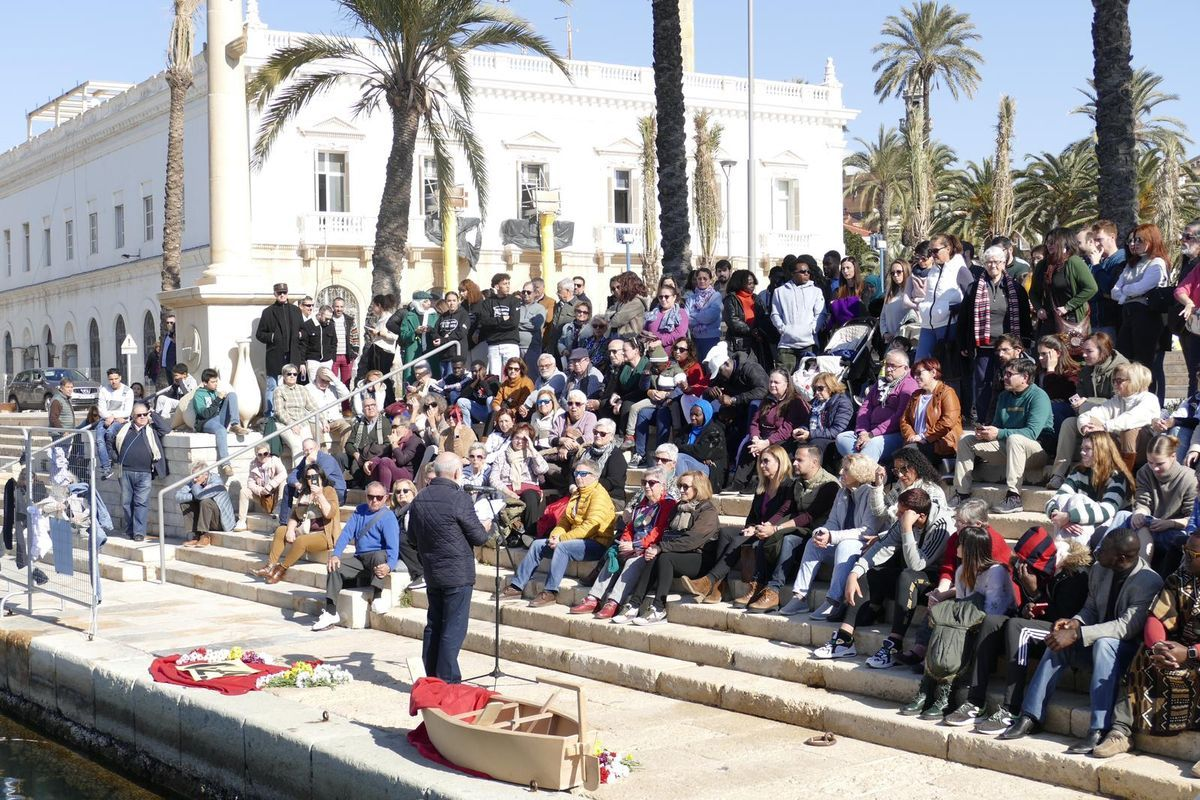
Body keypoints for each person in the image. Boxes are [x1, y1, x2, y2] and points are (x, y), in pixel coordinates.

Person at [999, 528, 1163, 755]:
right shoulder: (1099, 570)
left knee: (1105, 643)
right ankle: (1031, 716)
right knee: (1058, 642)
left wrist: (1078, 634)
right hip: (1096, 643)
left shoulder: (1148, 581)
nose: (1097, 552)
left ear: (1121, 558)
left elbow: (1125, 627)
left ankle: (1098, 728)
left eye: (1103, 550)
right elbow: (1091, 608)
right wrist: (1074, 623)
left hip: (1128, 654)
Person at [1092, 531, 1200, 764]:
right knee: (1144, 654)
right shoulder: (1179, 578)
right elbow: (1156, 618)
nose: (1187, 557)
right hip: (1178, 649)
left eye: (1194, 554)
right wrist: (1159, 646)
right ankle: (1120, 732)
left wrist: (1191, 652)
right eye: (1185, 551)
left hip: (1194, 652)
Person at [812, 487, 949, 661]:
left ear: (920, 516)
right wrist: (854, 573)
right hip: (910, 574)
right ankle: (844, 639)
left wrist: (906, 528)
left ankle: (894, 644)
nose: (898, 517)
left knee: (908, 576)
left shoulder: (941, 526)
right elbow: (881, 546)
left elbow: (917, 565)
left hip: (935, 582)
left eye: (901, 514)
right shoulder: (904, 519)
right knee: (869, 573)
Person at [901, 524, 1017, 720]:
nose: (956, 547)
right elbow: (962, 605)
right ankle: (926, 688)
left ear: (971, 548)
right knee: (941, 625)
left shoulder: (996, 571)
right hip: (967, 622)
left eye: (961, 544)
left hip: (995, 624)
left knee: (952, 631)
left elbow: (992, 610)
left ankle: (946, 693)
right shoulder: (962, 570)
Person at [405, 453, 490, 682]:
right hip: (457, 573)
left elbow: (412, 537)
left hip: (433, 571)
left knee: (434, 623)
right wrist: (487, 526)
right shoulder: (459, 498)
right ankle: (448, 680)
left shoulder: (420, 498)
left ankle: (431, 676)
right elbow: (479, 537)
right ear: (456, 473)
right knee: (453, 627)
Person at [498, 459, 616, 607]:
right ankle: (516, 586)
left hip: (596, 543)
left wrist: (562, 539)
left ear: (595, 476)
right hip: (575, 539)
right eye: (576, 473)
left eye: (583, 474)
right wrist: (555, 536)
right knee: (537, 545)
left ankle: (550, 591)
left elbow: (590, 526)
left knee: (562, 547)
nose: (578, 477)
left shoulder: (599, 496)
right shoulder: (578, 493)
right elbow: (565, 521)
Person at [571, 467, 676, 618]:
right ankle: (593, 598)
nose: (646, 486)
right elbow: (630, 527)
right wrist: (626, 542)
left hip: (651, 549)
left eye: (651, 483)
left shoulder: (667, 504)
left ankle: (613, 602)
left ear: (663, 485)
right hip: (633, 545)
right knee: (614, 557)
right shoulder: (642, 504)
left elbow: (659, 531)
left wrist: (635, 546)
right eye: (644, 482)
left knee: (631, 562)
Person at [951, 359, 1052, 514]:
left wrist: (999, 433)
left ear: (1025, 377)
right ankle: (962, 493)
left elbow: (1032, 433)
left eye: (1009, 374)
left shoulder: (1039, 396)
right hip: (1008, 449)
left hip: (1036, 453)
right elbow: (998, 427)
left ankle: (1014, 497)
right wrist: (985, 433)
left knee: (1015, 439)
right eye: (1004, 373)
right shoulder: (1004, 396)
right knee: (966, 439)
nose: (1004, 377)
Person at [748, 445, 839, 614]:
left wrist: (776, 528)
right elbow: (785, 509)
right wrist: (768, 525)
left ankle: (774, 590)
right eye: (794, 459)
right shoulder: (797, 482)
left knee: (788, 540)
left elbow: (809, 516)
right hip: (801, 528)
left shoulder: (830, 485)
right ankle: (757, 584)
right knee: (762, 537)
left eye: (799, 460)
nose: (794, 463)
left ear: (814, 462)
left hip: (820, 533)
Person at [620, 471, 721, 624]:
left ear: (698, 488)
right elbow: (667, 533)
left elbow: (692, 540)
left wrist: (661, 547)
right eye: (679, 486)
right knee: (655, 556)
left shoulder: (707, 511)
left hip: (700, 558)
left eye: (685, 487)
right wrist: (655, 547)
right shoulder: (678, 507)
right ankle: (634, 604)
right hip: (677, 553)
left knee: (665, 556)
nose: (681, 490)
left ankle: (659, 608)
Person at [1049, 360, 1158, 491]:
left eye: (1120, 381)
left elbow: (1132, 418)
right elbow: (1090, 414)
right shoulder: (1117, 400)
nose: (1115, 385)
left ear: (1133, 381)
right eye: (1114, 381)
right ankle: (1060, 475)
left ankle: (1125, 479)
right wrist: (1086, 427)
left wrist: (1105, 427)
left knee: (1129, 431)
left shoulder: (1149, 399)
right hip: (1118, 443)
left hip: (1143, 448)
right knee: (1073, 422)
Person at [312, 482, 402, 631]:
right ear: (366, 496)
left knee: (380, 556)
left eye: (379, 497)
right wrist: (336, 555)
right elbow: (346, 533)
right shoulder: (359, 511)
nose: (374, 500)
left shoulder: (388, 517)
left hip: (377, 559)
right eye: (371, 497)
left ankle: (377, 596)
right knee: (334, 567)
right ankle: (330, 611)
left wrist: (390, 565)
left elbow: (393, 546)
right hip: (360, 559)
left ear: (385, 498)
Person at [958, 245, 1033, 420]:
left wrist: (1026, 341)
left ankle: (1006, 420)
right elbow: (964, 318)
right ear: (984, 264)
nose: (993, 266)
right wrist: (963, 343)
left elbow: (1024, 317)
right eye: (989, 262)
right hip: (983, 346)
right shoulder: (974, 288)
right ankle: (985, 420)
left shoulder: (1015, 289)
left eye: (997, 262)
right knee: (983, 385)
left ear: (1004, 263)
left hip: (1008, 347)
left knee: (1008, 382)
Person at [1108, 434, 1196, 565]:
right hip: (1150, 525)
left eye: (1160, 463)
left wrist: (1169, 523)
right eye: (1150, 462)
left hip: (1172, 530)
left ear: (1173, 457)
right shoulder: (1144, 472)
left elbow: (1191, 518)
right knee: (1122, 515)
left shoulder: (1189, 478)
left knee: (1181, 538)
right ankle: (1102, 556)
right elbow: (1143, 502)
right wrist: (1139, 513)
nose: (1154, 468)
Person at [1045, 431, 1134, 553]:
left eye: (1087, 449)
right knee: (1062, 499)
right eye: (1082, 448)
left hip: (1113, 530)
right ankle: (1069, 554)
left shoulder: (1117, 477)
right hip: (1084, 527)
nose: (1082, 452)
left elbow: (1108, 510)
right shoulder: (1079, 472)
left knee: (1077, 499)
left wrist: (1069, 517)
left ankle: (1068, 554)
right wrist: (1058, 516)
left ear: (1102, 451)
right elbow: (1055, 499)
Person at [251, 464, 341, 584]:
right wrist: (290, 529)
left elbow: (330, 513)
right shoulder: (305, 493)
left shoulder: (328, 491)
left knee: (301, 541)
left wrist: (320, 495)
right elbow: (295, 514)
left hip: (323, 534)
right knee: (281, 530)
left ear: (321, 476)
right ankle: (270, 566)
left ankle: (281, 569)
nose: (311, 479)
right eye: (308, 477)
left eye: (315, 476)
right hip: (304, 530)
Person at [835, 348, 917, 464]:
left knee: (873, 444)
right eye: (887, 365)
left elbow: (900, 416)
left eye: (893, 366)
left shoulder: (909, 385)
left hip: (893, 434)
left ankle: (859, 474)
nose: (888, 369)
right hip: (869, 432)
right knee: (842, 438)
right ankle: (864, 465)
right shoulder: (880, 383)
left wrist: (872, 434)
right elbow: (865, 408)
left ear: (905, 368)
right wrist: (862, 432)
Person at [730, 370, 804, 493]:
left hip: (783, 440)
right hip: (763, 437)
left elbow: (786, 430)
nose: (772, 385)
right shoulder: (767, 399)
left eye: (776, 382)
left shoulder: (794, 402)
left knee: (770, 451)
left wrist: (766, 443)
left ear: (786, 384)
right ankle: (738, 483)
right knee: (750, 446)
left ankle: (760, 482)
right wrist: (755, 438)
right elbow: (755, 422)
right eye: (771, 382)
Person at [1113, 223, 1170, 378]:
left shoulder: (1157, 263)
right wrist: (1129, 293)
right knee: (1123, 357)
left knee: (1144, 363)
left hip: (1147, 316)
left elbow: (1142, 287)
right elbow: (1114, 292)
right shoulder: (1131, 264)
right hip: (1128, 315)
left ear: (1151, 241)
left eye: (1140, 240)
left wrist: (1126, 291)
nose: (1135, 244)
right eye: (1134, 240)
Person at [1029, 226, 1098, 344]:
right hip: (1048, 319)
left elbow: (1091, 288)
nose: (1049, 245)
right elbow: (1034, 292)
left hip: (1071, 319)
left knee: (1072, 355)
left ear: (1065, 243)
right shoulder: (1042, 265)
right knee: (1045, 353)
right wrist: (1039, 308)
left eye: (1054, 242)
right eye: (1048, 242)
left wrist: (1068, 306)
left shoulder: (1073, 262)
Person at [110, 402, 168, 541]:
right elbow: (111, 443)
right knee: (126, 503)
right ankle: (130, 529)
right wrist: (116, 458)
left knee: (141, 503)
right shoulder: (124, 429)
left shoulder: (152, 429)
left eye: (145, 414)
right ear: (133, 416)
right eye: (139, 415)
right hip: (125, 472)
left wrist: (152, 413)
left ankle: (139, 533)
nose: (142, 417)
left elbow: (166, 429)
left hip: (145, 472)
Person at [912, 233, 970, 361]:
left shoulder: (960, 269)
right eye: (930, 251)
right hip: (927, 324)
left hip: (948, 325)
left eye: (936, 250)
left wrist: (956, 308)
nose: (932, 254)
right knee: (919, 365)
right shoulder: (933, 270)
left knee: (948, 369)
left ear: (948, 249)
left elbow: (972, 297)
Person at [899, 357, 963, 466]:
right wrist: (911, 436)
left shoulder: (947, 392)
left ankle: (882, 478)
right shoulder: (916, 395)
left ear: (933, 372)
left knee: (907, 457)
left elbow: (948, 421)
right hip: (917, 443)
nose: (915, 377)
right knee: (901, 456)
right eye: (914, 374)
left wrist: (924, 436)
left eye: (919, 373)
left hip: (940, 444)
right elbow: (904, 420)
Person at [489, 423, 548, 537]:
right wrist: (509, 492)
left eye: (524, 439)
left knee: (530, 496)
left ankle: (531, 534)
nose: (520, 441)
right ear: (512, 438)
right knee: (504, 499)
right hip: (507, 490)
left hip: (528, 489)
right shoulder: (501, 456)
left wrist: (532, 449)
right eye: (517, 437)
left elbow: (543, 469)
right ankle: (513, 534)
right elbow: (493, 479)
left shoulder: (531, 456)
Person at [256, 282, 304, 417]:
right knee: (272, 385)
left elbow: (303, 331)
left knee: (292, 385)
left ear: (287, 293)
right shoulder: (268, 312)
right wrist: (273, 337)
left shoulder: (295, 310)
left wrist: (300, 334)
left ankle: (290, 413)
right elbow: (259, 334)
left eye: (284, 292)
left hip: (292, 354)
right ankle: (270, 414)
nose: (282, 295)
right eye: (279, 293)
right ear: (275, 294)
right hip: (275, 355)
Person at [771, 256, 826, 372]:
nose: (806, 274)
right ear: (793, 273)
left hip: (809, 343)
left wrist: (812, 329)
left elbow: (820, 314)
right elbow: (775, 314)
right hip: (786, 345)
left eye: (808, 271)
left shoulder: (816, 291)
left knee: (807, 379)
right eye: (802, 271)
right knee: (784, 378)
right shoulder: (780, 291)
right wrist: (783, 329)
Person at [192, 368, 250, 475]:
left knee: (232, 395)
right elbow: (204, 414)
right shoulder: (198, 395)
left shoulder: (215, 392)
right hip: (206, 422)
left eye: (216, 381)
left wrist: (223, 400)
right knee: (221, 430)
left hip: (219, 418)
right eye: (212, 382)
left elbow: (220, 408)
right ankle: (225, 464)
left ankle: (235, 424)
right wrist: (218, 399)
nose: (215, 384)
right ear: (205, 383)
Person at [792, 371, 854, 470]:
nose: (816, 393)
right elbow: (807, 423)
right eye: (815, 389)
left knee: (813, 446)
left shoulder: (843, 403)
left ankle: (810, 475)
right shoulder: (816, 402)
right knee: (790, 444)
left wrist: (810, 434)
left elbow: (836, 431)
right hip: (816, 435)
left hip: (834, 441)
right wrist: (801, 430)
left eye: (820, 388)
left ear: (831, 387)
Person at [278, 438, 347, 524]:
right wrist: (297, 484)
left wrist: (309, 465)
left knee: (312, 486)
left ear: (317, 448)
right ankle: (283, 522)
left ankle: (306, 521)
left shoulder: (327, 460)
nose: (309, 452)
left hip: (335, 492)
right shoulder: (305, 460)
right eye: (306, 450)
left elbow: (318, 480)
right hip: (315, 489)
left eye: (311, 449)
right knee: (288, 488)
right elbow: (291, 476)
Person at [175, 463, 236, 548]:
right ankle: (196, 535)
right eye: (193, 477)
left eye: (197, 477)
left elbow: (201, 496)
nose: (194, 480)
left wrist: (196, 486)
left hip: (220, 522)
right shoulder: (195, 481)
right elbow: (178, 496)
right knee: (186, 503)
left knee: (205, 501)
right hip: (207, 520)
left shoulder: (216, 482)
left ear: (206, 475)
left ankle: (204, 536)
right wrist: (193, 496)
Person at [1172, 219, 1200, 397]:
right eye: (1183, 236)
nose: (1183, 240)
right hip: (1193, 327)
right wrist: (1188, 302)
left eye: (1188, 236)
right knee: (1195, 374)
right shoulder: (1193, 266)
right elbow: (1181, 289)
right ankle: (1192, 412)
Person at [477, 273, 522, 376]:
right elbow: (485, 322)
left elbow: (514, 322)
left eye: (508, 283)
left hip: (510, 343)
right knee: (494, 375)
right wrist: (503, 318)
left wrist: (494, 322)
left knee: (512, 374)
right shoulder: (488, 303)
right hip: (493, 344)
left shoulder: (514, 301)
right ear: (497, 286)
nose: (508, 286)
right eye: (505, 283)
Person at [235, 444, 287, 531]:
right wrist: (260, 490)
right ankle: (241, 521)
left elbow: (284, 473)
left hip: (274, 494)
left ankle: (279, 509)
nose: (263, 456)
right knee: (244, 491)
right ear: (256, 455)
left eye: (265, 453)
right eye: (260, 454)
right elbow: (250, 482)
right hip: (262, 496)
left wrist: (270, 486)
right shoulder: (253, 464)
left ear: (269, 453)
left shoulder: (275, 460)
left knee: (283, 482)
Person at [273, 365, 318, 460]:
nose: (292, 376)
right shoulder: (279, 390)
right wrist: (292, 424)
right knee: (297, 446)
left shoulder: (303, 389)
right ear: (284, 376)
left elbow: (313, 406)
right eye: (289, 374)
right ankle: (299, 473)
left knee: (309, 446)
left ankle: (311, 471)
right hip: (286, 424)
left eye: (295, 374)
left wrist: (323, 419)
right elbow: (279, 411)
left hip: (303, 423)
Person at [723, 269, 768, 365]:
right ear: (740, 283)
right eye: (749, 283)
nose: (752, 286)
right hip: (739, 343)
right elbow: (733, 320)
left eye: (753, 283)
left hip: (756, 342)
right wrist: (751, 330)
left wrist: (760, 331)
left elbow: (764, 316)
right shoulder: (731, 299)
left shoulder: (756, 298)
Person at [96, 368, 135, 478]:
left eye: (116, 379)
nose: (113, 381)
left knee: (110, 433)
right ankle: (106, 467)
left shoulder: (128, 391)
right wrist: (109, 417)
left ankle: (111, 459)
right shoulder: (104, 390)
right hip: (106, 419)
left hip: (120, 420)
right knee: (99, 440)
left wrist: (113, 417)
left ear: (120, 378)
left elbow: (127, 411)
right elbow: (101, 409)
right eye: (111, 379)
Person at [344, 397, 391, 488]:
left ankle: (360, 485)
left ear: (377, 407)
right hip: (358, 456)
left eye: (373, 405)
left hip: (375, 455)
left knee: (356, 465)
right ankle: (339, 487)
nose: (370, 408)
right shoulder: (358, 425)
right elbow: (349, 444)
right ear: (362, 410)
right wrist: (356, 454)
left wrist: (367, 457)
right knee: (339, 458)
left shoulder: (385, 423)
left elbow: (387, 444)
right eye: (367, 406)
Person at [685, 266, 722, 359]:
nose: (702, 281)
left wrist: (693, 315)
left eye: (705, 278)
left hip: (711, 339)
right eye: (699, 278)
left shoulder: (716, 296)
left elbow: (710, 317)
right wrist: (701, 317)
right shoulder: (691, 298)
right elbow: (686, 319)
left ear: (710, 280)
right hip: (695, 339)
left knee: (710, 367)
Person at [879, 258, 918, 348]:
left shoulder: (912, 291)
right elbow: (883, 316)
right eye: (892, 273)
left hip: (907, 341)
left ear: (906, 271)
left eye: (899, 272)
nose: (895, 275)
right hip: (890, 341)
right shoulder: (890, 292)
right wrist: (884, 333)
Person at [642, 281, 689, 352]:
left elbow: (679, 334)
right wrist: (646, 335)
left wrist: (660, 341)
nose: (663, 299)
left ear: (674, 297)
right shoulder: (652, 313)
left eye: (666, 297)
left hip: (673, 354)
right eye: (661, 297)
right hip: (653, 353)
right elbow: (645, 329)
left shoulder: (681, 313)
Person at [605, 272, 651, 339]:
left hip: (629, 338)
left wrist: (612, 316)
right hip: (621, 337)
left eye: (621, 285)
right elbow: (607, 315)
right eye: (613, 289)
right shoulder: (623, 301)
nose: (618, 290)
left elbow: (617, 320)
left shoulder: (635, 302)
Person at [329, 296, 360, 392]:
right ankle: (333, 405)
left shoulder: (349, 320)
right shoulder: (329, 320)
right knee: (332, 382)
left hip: (347, 356)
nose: (339, 309)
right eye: (337, 306)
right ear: (333, 307)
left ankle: (346, 406)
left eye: (341, 307)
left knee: (346, 383)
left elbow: (355, 336)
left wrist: (355, 352)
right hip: (333, 356)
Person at [302, 303, 337, 383]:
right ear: (319, 314)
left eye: (330, 319)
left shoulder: (331, 325)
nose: (328, 321)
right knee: (314, 383)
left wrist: (332, 358)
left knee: (326, 383)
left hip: (327, 360)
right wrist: (302, 361)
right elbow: (303, 345)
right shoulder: (308, 325)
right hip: (312, 360)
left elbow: (334, 342)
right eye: (326, 318)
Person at [517, 282, 547, 371]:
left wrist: (517, 323)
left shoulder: (540, 308)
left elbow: (536, 325)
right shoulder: (516, 307)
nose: (525, 294)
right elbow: (511, 322)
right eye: (523, 292)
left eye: (528, 292)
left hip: (532, 347)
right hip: (516, 346)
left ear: (535, 293)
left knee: (531, 374)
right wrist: (522, 323)